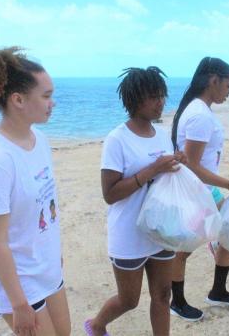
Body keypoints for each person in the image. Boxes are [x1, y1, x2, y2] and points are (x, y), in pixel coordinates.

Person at [0, 44, 70, 336]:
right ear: (18, 100)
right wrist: (19, 304)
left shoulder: (39, 140)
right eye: (47, 96)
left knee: (65, 332)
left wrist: (53, 254)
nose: (53, 103)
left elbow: (45, 206)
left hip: (44, 265)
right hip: (16, 279)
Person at [85, 67, 185, 336]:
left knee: (163, 295)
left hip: (161, 228)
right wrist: (153, 169)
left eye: (162, 95)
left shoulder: (162, 134)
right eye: (154, 97)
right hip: (129, 231)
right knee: (129, 300)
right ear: (134, 99)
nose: (161, 102)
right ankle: (96, 325)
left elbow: (164, 177)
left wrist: (176, 163)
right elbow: (110, 193)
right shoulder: (117, 139)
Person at [169, 57, 229, 322]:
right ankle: (177, 301)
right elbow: (191, 166)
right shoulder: (200, 114)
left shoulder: (199, 109)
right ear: (214, 80)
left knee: (228, 233)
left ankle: (218, 290)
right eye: (228, 85)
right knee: (184, 248)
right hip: (195, 192)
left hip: (205, 190)